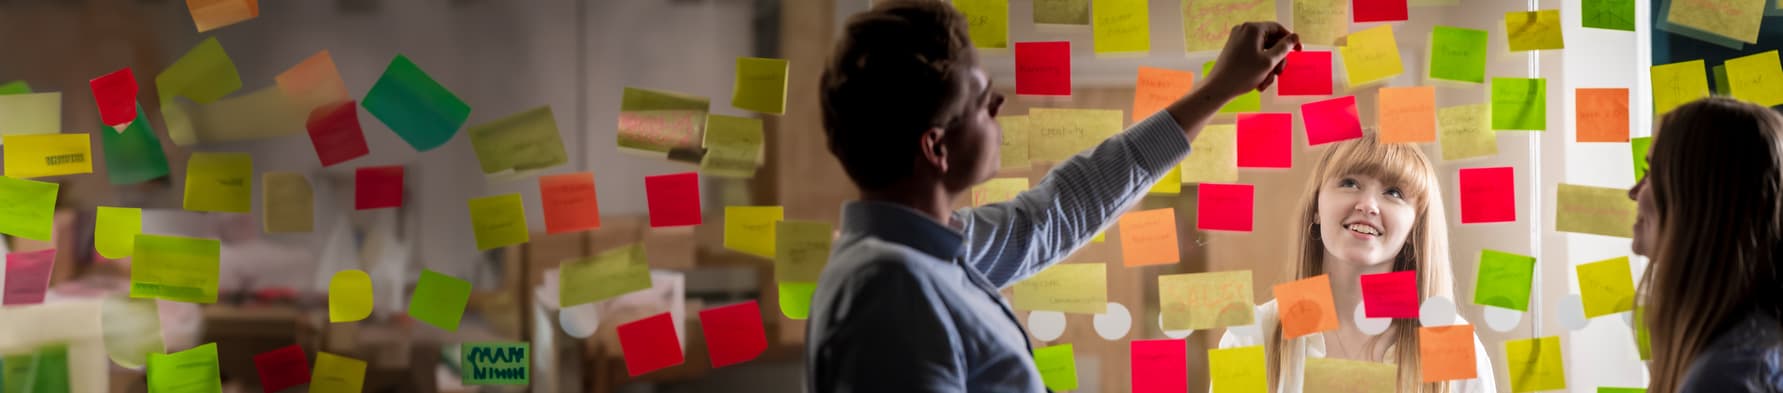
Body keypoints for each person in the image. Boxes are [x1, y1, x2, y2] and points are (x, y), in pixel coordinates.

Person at [805, 1, 1298, 391]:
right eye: (981, 100)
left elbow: (1063, 206)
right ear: (935, 146)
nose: (998, 104)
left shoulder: (932, 254)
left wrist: (1220, 88)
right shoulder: (888, 291)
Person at [1218, 134, 1496, 392]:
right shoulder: (1253, 336)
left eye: (1394, 192)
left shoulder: (1455, 344)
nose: (1368, 205)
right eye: (1350, 183)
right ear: (1316, 208)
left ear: (1415, 229)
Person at [1628, 97, 1783, 393]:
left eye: (1651, 173)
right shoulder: (1743, 355)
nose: (1633, 192)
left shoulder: (1730, 375)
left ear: (1696, 200)